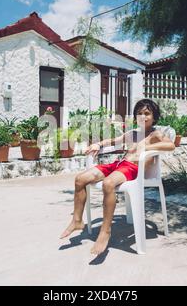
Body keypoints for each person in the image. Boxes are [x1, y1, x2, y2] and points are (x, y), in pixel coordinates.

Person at [60, 99, 176, 256]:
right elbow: (113, 141)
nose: (143, 117)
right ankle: (77, 220)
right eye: (139, 113)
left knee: (108, 184)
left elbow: (170, 145)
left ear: (154, 117)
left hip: (133, 169)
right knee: (80, 179)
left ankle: (105, 231)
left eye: (147, 113)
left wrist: (145, 146)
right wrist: (98, 145)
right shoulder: (133, 133)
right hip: (118, 164)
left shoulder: (156, 134)